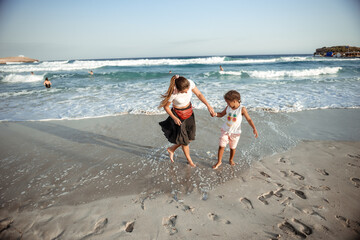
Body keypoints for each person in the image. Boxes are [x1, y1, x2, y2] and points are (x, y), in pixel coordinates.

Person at [159, 75, 216, 167]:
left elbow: (199, 94)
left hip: (189, 113)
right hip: (178, 116)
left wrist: (208, 106)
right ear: (178, 89)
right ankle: (190, 161)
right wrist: (174, 118)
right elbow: (166, 107)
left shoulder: (190, 83)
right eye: (183, 91)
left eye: (187, 89)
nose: (187, 91)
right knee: (185, 142)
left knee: (190, 137)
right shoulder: (174, 93)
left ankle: (172, 149)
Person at [212, 90, 258, 169]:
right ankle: (219, 161)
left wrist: (254, 128)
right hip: (225, 130)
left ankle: (231, 159)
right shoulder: (228, 107)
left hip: (235, 133)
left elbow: (249, 119)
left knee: (232, 148)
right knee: (221, 145)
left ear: (235, 101)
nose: (227, 104)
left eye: (228, 102)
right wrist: (215, 114)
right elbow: (221, 114)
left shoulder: (242, 109)